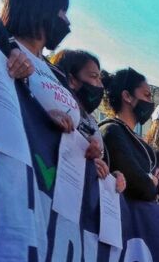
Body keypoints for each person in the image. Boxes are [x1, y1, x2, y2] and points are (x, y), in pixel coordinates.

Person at [0, 0, 79, 133]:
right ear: (42, 7)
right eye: (63, 11)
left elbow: (77, 125)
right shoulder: (1, 47)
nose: (68, 22)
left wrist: (88, 144)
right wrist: (39, 118)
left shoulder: (58, 74)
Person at [50, 49, 125, 191]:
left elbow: (100, 163)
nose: (100, 85)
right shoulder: (55, 108)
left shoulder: (91, 120)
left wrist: (112, 176)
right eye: (94, 76)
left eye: (100, 78)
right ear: (72, 80)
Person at [100, 68, 159, 203]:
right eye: (147, 95)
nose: (150, 101)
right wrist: (153, 182)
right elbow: (142, 187)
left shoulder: (139, 142)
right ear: (127, 96)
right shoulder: (112, 130)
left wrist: (155, 182)